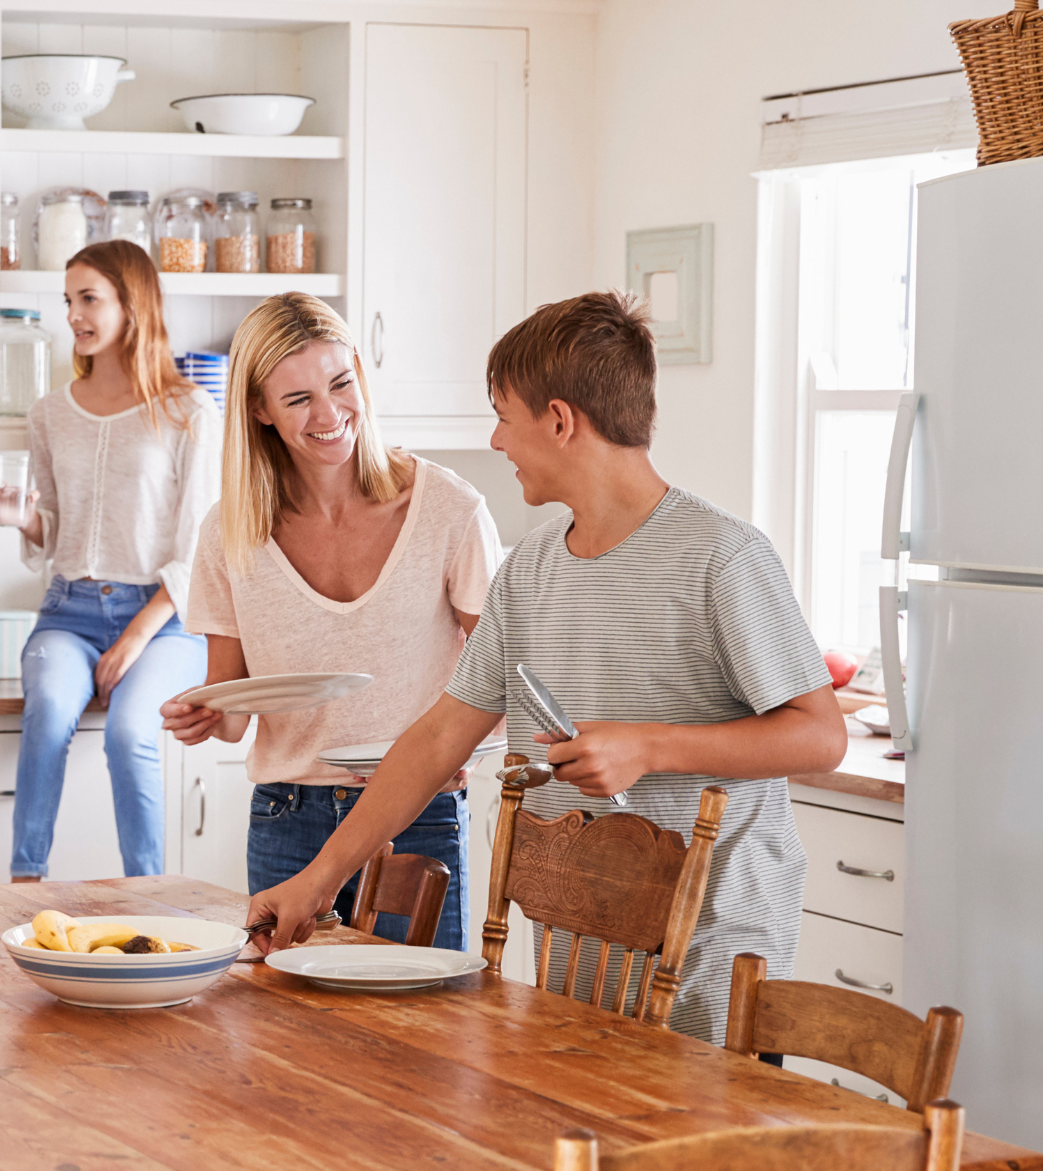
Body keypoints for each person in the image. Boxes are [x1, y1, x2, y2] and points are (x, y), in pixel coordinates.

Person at [243, 290, 846, 1043]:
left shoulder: (722, 556)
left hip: (709, 948)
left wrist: (648, 747)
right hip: (583, 938)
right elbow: (437, 742)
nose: (496, 439)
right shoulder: (530, 570)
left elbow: (819, 736)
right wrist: (317, 880)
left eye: (503, 415)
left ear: (559, 422)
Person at [160, 294, 501, 949]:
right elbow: (232, 711)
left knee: (424, 1032)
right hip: (288, 813)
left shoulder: (448, 508)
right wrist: (203, 716)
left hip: (417, 812)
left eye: (340, 384)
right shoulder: (229, 532)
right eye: (297, 400)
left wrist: (469, 748)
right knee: (288, 1031)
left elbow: (501, 666)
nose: (329, 414)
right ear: (258, 411)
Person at [0, 240, 218, 881]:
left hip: (166, 621)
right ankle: (23, 883)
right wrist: (23, 518)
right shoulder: (50, 415)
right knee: (48, 716)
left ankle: (145, 893)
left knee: (128, 734)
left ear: (132, 305)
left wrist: (135, 639)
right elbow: (56, 526)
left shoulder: (188, 411)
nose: (74, 315)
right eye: (69, 301)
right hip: (70, 611)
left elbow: (201, 545)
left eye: (89, 298)